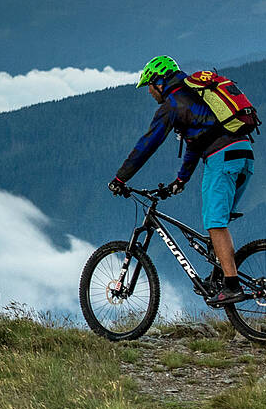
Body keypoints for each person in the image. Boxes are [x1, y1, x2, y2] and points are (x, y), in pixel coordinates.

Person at [109, 55, 255, 307]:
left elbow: (147, 144)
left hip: (221, 159)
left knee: (214, 222)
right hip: (243, 156)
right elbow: (197, 141)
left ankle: (232, 286)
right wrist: (180, 179)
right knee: (218, 221)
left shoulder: (172, 104)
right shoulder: (194, 95)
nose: (150, 94)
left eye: (150, 87)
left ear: (158, 82)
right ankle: (221, 274)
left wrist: (121, 178)